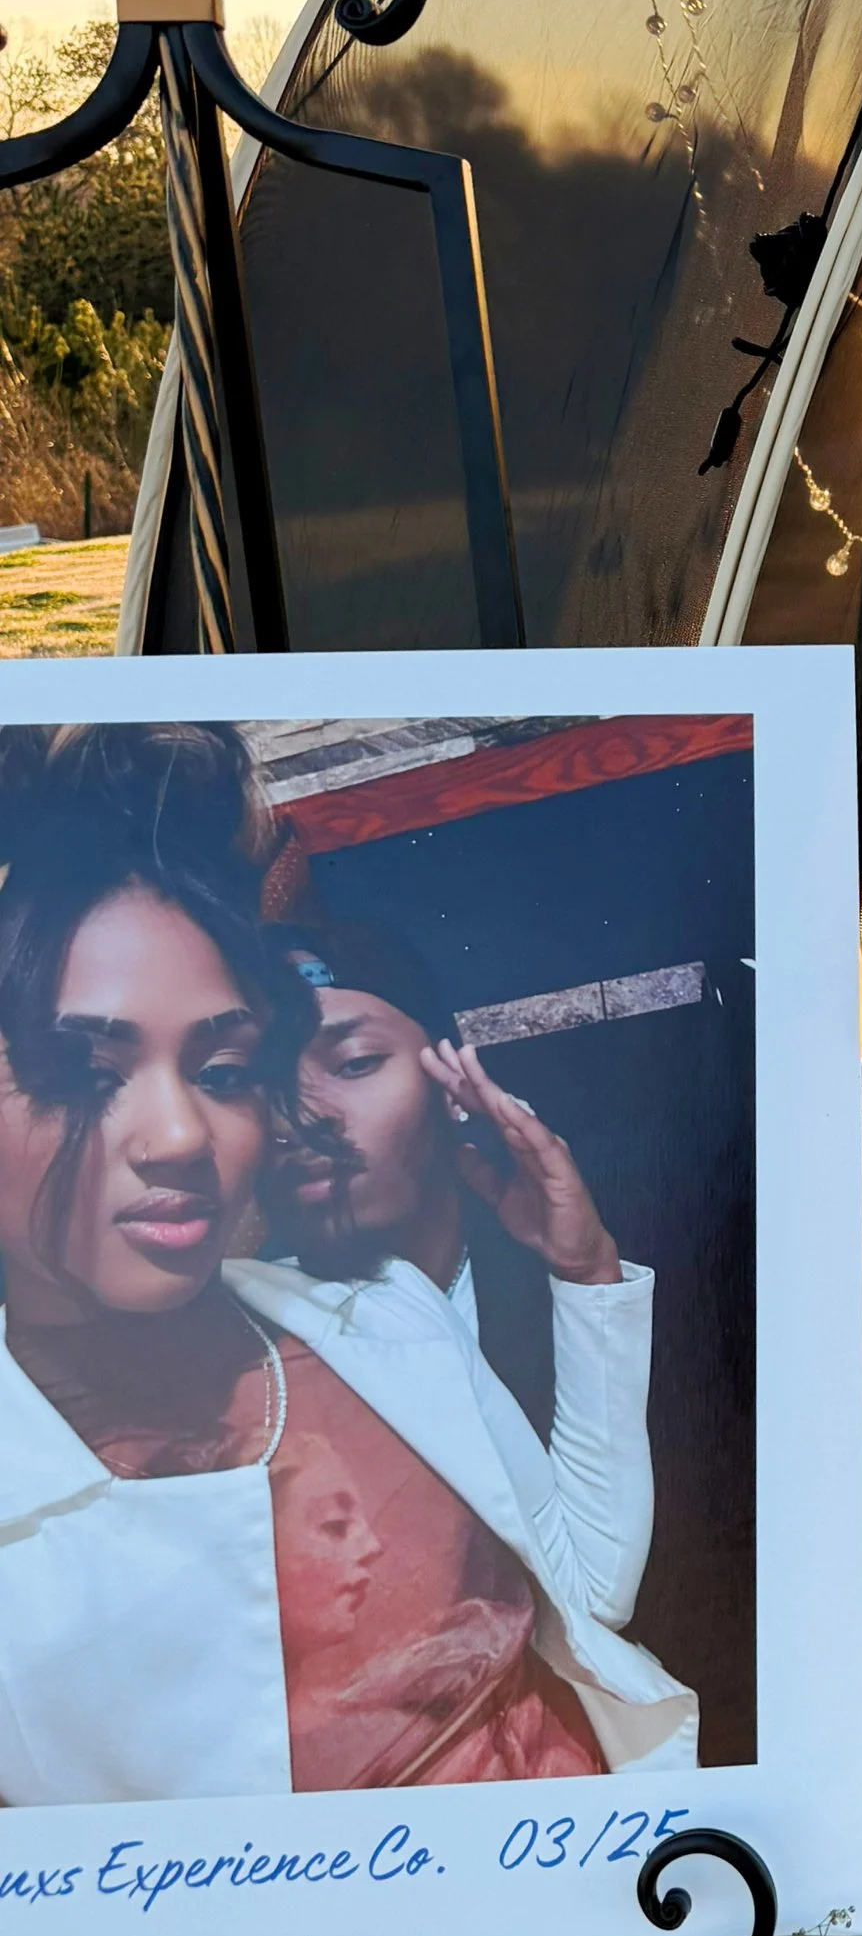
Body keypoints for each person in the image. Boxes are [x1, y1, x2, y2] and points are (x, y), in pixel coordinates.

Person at [0, 725, 693, 1806]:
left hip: (631, 1877)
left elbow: (590, 1594)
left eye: (225, 1069)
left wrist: (589, 1271)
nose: (183, 1134)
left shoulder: (380, 1320)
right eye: (84, 1073)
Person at [261, 916, 630, 1458]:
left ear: (450, 1083)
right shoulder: (248, 1346)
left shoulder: (581, 1276)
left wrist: (588, 1274)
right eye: (255, 1080)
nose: (298, 1115)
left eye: (355, 1063)